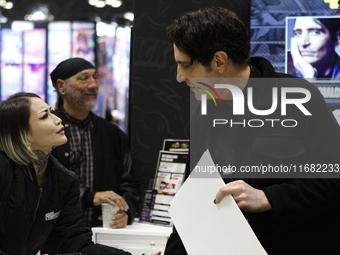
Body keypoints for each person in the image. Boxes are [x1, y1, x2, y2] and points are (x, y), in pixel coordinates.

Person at [164, 6, 340, 255]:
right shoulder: (204, 107)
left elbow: (334, 177)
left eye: (186, 65)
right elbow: (199, 195)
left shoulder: (298, 98)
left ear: (219, 61)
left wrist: (269, 198)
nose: (179, 77)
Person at [0, 92, 161, 255]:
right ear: (22, 135)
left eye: (52, 112)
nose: (58, 119)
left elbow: (76, 244)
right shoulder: (4, 170)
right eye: (44, 116)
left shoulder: (64, 180)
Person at [50, 57, 140, 228]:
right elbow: (45, 185)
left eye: (95, 77)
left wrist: (125, 211)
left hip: (102, 234)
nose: (93, 85)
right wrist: (90, 196)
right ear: (61, 86)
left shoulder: (112, 133)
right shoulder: (47, 131)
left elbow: (130, 183)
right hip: (55, 238)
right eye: (83, 78)